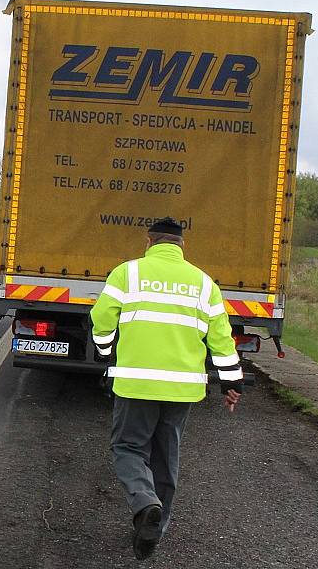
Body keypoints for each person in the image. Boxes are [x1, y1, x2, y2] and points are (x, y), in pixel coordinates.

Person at [90, 217, 243, 560]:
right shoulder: (204, 284)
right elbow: (221, 339)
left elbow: (101, 319)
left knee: (129, 447)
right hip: (182, 390)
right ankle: (154, 531)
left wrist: (104, 351)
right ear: (181, 246)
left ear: (149, 242)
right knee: (166, 454)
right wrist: (232, 382)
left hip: (136, 383)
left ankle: (145, 503)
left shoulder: (127, 273)